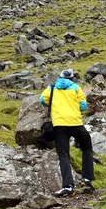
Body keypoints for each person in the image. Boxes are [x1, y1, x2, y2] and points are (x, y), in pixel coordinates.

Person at [40, 67, 95, 196]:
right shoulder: (76, 87)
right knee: (86, 147)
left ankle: (68, 186)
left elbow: (43, 100)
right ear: (71, 78)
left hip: (59, 125)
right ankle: (86, 179)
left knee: (63, 155)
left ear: (60, 77)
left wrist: (55, 105)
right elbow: (83, 106)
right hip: (75, 123)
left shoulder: (52, 87)